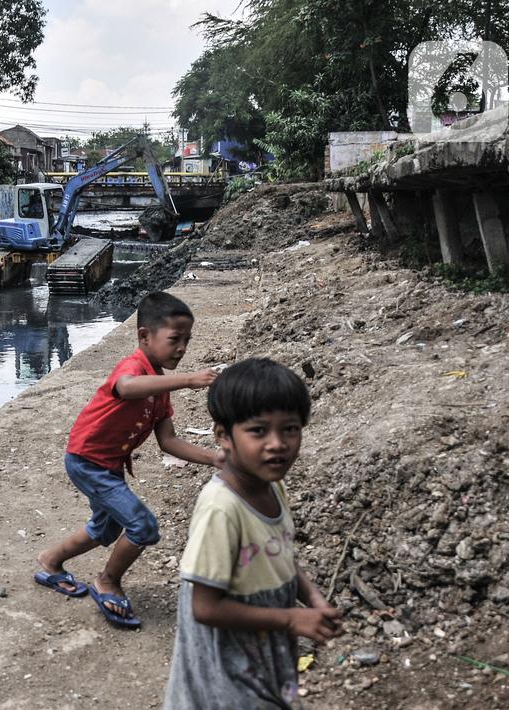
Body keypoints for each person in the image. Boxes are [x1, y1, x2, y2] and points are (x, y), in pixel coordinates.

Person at [34, 292, 221, 629]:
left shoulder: (161, 390)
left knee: (105, 527)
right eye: (175, 339)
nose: (182, 348)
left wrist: (215, 458)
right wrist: (190, 379)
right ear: (144, 337)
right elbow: (128, 387)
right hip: (87, 460)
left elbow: (169, 442)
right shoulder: (133, 367)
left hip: (107, 466)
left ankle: (50, 562)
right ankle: (107, 581)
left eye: (187, 341)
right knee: (142, 526)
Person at [163, 358, 342, 709]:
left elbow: (280, 553)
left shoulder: (272, 487)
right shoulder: (221, 509)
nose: (277, 444)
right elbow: (205, 607)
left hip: (263, 652)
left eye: (290, 429)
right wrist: (291, 618)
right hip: (228, 672)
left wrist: (313, 597)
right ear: (223, 436)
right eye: (258, 431)